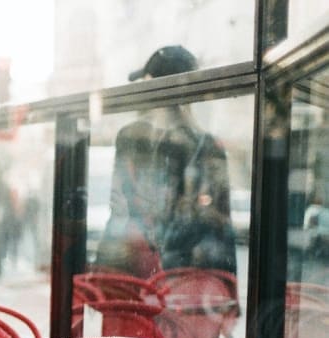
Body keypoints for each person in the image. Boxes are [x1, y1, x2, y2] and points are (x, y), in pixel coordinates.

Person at [94, 45, 237, 278]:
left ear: (152, 85)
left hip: (131, 272)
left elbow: (119, 207)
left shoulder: (130, 137)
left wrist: (103, 270)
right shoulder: (209, 145)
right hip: (185, 275)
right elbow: (221, 226)